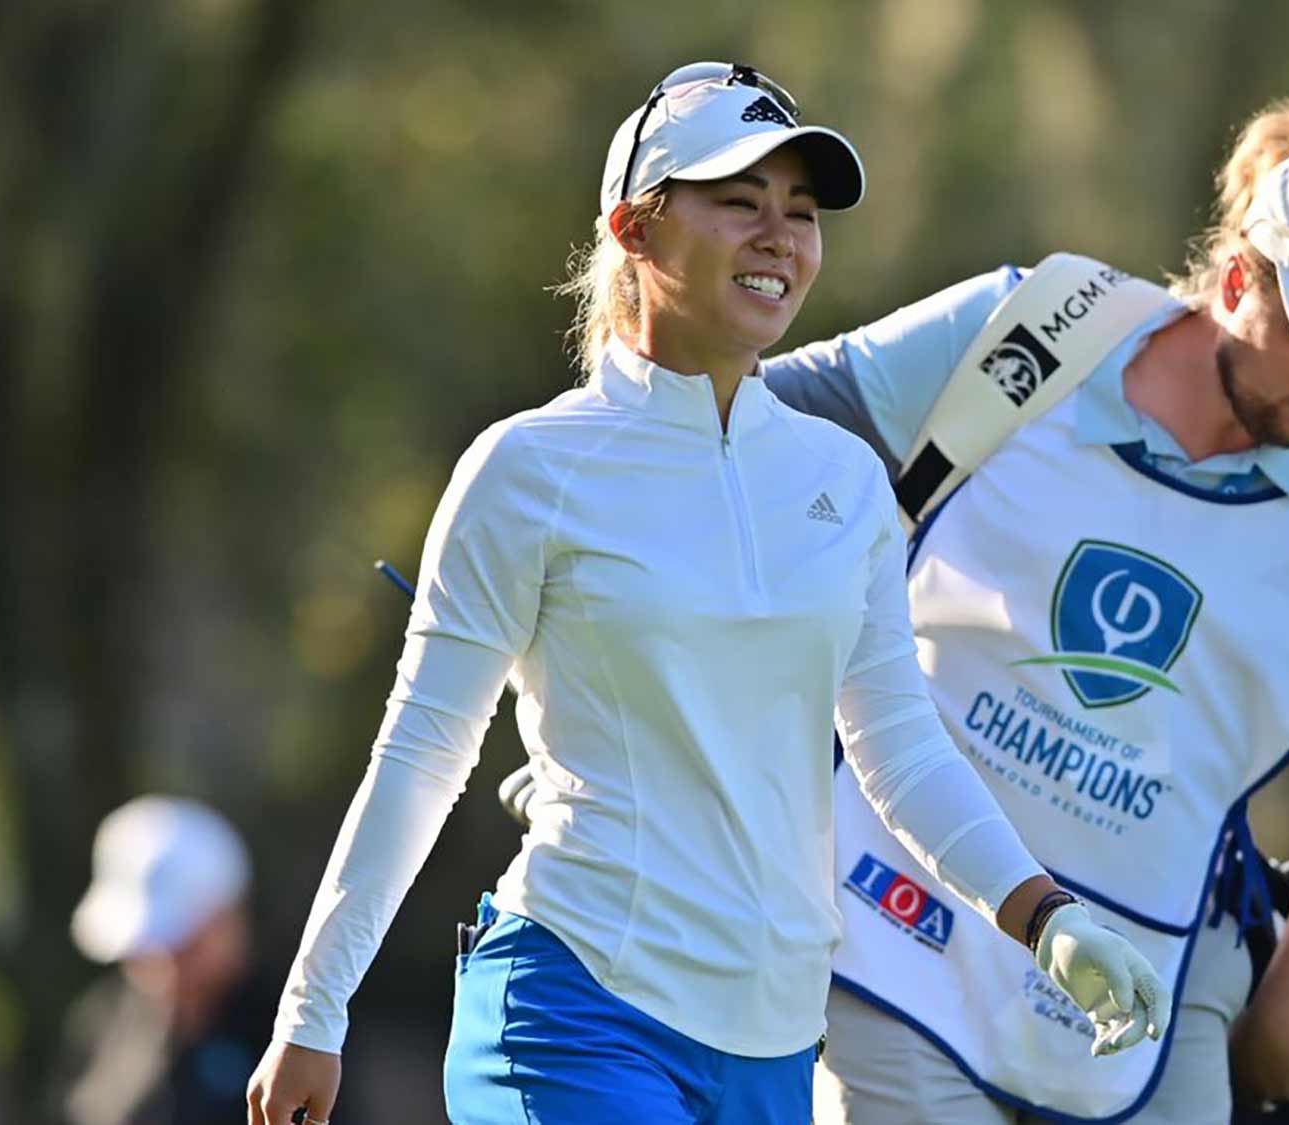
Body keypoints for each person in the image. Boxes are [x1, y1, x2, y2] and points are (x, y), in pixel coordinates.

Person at [492, 98, 1289, 1123]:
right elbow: (736, 427)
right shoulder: (1033, 330)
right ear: (1230, 284)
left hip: (1153, 960)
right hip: (893, 907)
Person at [245, 61, 1166, 1125]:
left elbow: (897, 747)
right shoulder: (529, 469)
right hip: (575, 1009)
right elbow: (421, 754)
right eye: (738, 204)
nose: (779, 236)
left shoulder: (842, 481)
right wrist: (313, 1011)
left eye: (801, 213)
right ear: (632, 229)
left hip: (770, 1047)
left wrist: (1041, 912)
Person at [55, 796, 266, 1125]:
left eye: (184, 945)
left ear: (230, 920)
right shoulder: (102, 1020)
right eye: (146, 946)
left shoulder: (302, 1029)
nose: (164, 966)